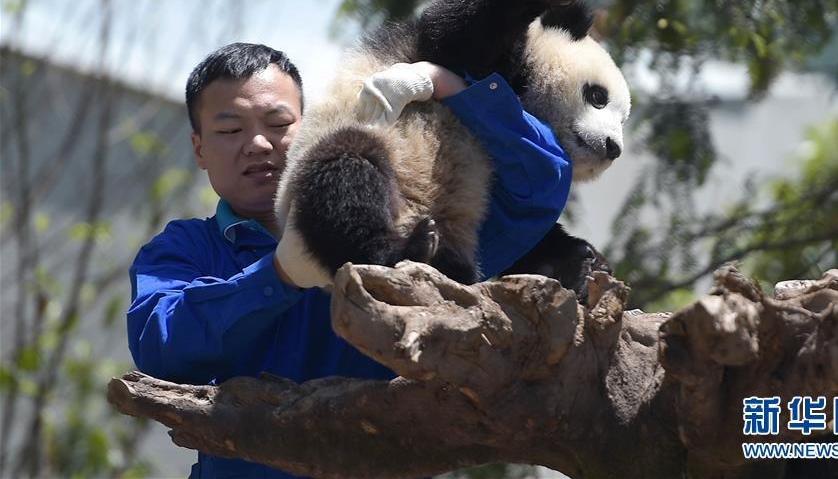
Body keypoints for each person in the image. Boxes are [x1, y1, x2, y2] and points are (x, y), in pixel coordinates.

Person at [127, 42, 571, 478]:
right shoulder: (182, 249)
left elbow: (539, 188)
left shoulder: (408, 217)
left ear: (311, 124)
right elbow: (161, 348)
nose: (258, 143)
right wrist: (279, 274)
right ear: (199, 149)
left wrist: (447, 85)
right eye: (229, 130)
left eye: (278, 122)